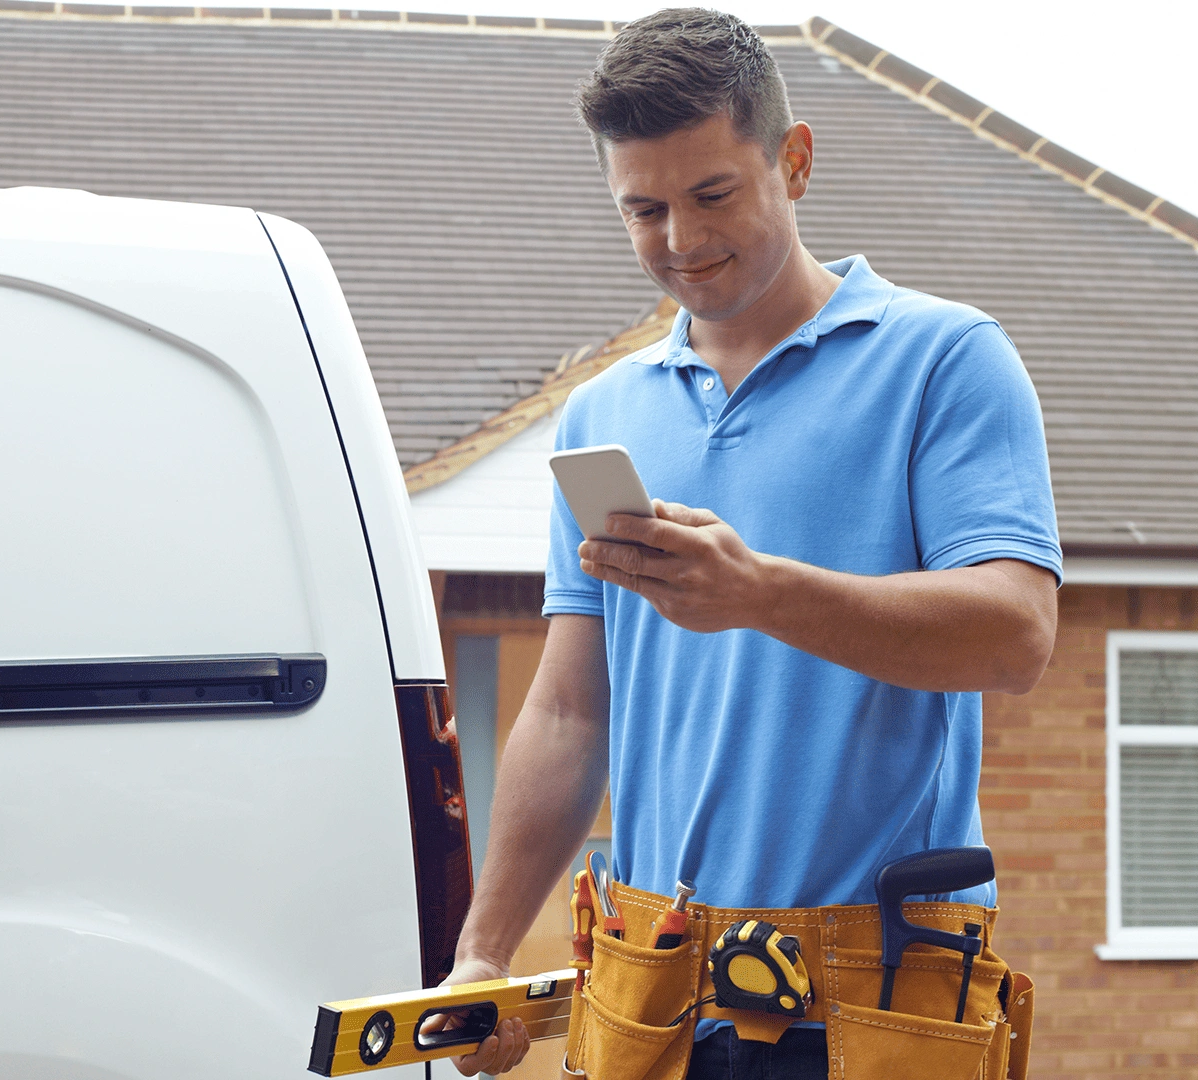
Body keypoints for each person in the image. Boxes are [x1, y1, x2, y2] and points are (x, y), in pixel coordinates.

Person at [438, 9, 1060, 1078]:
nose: (680, 240)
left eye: (712, 194)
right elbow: (569, 707)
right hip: (651, 998)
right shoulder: (603, 415)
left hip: (869, 1008)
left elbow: (1015, 637)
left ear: (796, 159)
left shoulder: (944, 360)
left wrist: (763, 593)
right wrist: (481, 952)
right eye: (643, 209)